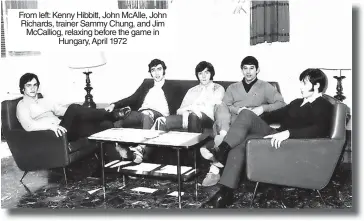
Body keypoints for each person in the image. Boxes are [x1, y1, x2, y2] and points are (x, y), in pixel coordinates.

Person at [202, 68, 333, 208]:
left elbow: (319, 129)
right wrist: (251, 118)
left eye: (304, 83)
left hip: (290, 143)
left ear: (317, 85)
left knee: (243, 138)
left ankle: (223, 154)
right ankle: (225, 191)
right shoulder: (297, 102)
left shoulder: (323, 105)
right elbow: (274, 115)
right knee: (244, 122)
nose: (301, 87)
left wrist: (289, 133)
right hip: (275, 135)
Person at [200, 56, 286, 187]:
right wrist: (238, 110)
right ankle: (223, 138)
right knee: (220, 105)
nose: (248, 71)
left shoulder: (265, 86)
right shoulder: (232, 87)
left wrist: (262, 108)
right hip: (232, 121)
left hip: (251, 123)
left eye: (252, 68)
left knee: (233, 119)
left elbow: (281, 104)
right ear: (241, 70)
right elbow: (226, 106)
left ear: (257, 70)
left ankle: (215, 166)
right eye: (245, 68)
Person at [16, 73, 124, 142]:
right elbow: (28, 126)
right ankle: (110, 114)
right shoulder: (22, 105)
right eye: (28, 85)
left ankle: (110, 118)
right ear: (22, 89)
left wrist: (82, 112)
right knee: (73, 108)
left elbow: (61, 111)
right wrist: (50, 126)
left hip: (64, 128)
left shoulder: (44, 101)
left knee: (105, 125)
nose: (32, 88)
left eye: (35, 85)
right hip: (52, 134)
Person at [104, 59, 175, 164]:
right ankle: (121, 152)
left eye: (159, 69)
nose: (156, 73)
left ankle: (142, 154)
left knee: (147, 115)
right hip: (141, 112)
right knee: (119, 120)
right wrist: (114, 104)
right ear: (150, 73)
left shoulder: (171, 86)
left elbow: (177, 106)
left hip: (159, 114)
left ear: (164, 70)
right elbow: (133, 98)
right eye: (153, 70)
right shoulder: (147, 84)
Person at [154, 61, 225, 133]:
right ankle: (154, 144)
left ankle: (193, 144)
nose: (203, 76)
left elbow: (210, 108)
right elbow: (180, 110)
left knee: (193, 115)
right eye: (200, 73)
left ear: (211, 73)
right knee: (161, 121)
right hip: (188, 116)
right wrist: (186, 112)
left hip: (208, 119)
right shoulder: (192, 90)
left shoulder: (218, 88)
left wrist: (191, 110)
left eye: (206, 73)